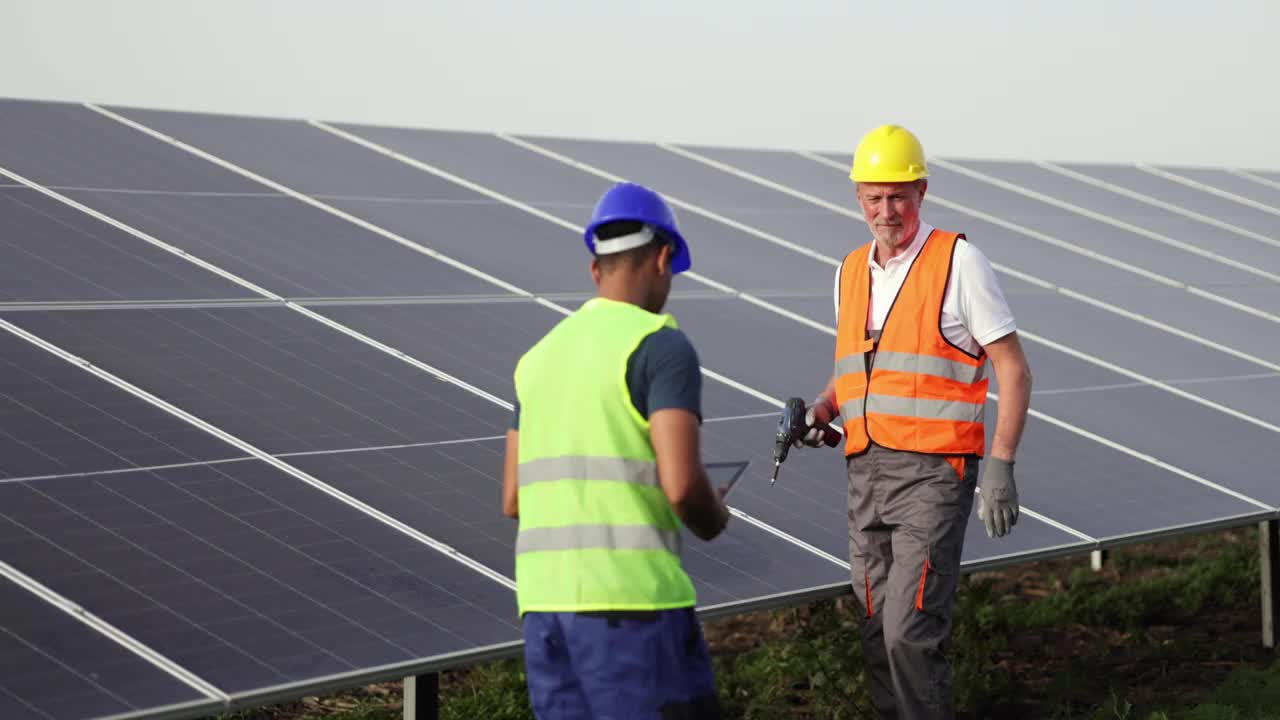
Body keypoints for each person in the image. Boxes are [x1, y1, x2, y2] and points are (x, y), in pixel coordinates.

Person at [796, 124, 1033, 719]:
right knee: (877, 632)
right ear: (857, 198)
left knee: (909, 632)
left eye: (897, 197)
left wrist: (1001, 463)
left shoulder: (958, 261)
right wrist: (825, 408)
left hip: (933, 475)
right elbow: (856, 371)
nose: (886, 211)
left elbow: (1014, 369)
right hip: (865, 474)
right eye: (873, 198)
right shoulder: (849, 271)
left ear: (921, 192)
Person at [502, 181, 731, 719]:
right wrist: (714, 513)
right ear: (665, 257)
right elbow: (680, 486)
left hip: (543, 611)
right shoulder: (659, 345)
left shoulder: (536, 361)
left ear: (594, 269)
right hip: (634, 609)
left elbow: (513, 497)